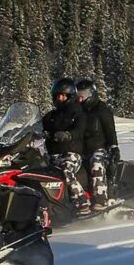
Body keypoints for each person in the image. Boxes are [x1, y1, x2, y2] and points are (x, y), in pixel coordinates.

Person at [42, 78, 90, 215]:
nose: (60, 99)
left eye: (63, 96)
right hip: (52, 155)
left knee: (65, 170)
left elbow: (80, 129)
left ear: (71, 96)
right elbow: (38, 126)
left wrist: (68, 134)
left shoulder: (78, 113)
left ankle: (81, 201)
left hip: (71, 154)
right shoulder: (51, 115)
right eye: (58, 96)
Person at [76, 78, 119, 211]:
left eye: (83, 94)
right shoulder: (77, 111)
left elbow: (110, 130)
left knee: (96, 163)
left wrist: (114, 147)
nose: (80, 98)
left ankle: (100, 199)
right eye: (78, 95)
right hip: (81, 149)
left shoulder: (101, 109)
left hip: (99, 148)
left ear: (92, 94)